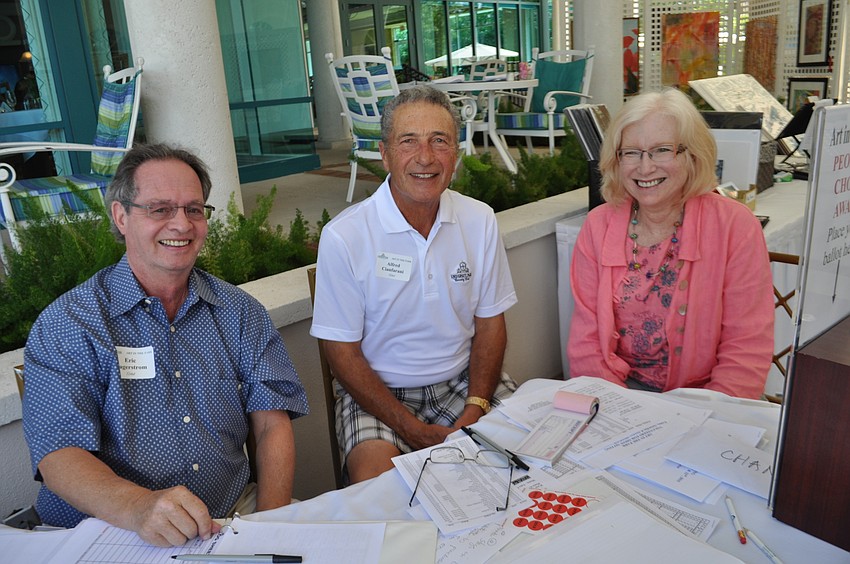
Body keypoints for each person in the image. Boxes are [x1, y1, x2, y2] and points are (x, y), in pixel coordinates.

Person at [22, 143, 309, 546]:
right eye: (160, 209)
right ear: (121, 217)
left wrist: (268, 528)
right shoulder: (71, 323)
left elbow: (270, 425)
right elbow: (59, 455)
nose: (182, 225)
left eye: (194, 209)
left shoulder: (240, 312)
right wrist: (139, 508)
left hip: (230, 516)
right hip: (108, 528)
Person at [310, 85, 518, 483]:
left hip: (464, 383)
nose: (426, 157)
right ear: (385, 154)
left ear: (455, 153)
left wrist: (475, 406)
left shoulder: (480, 220)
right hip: (378, 397)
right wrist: (409, 427)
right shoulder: (345, 236)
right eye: (409, 142)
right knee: (382, 496)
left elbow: (491, 324)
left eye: (439, 141)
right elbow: (342, 355)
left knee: (531, 464)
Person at [567, 88, 774, 399]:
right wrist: (615, 408)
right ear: (616, 159)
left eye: (662, 150)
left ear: (691, 155)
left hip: (707, 397)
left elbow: (745, 348)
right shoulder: (599, 225)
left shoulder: (735, 226)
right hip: (622, 395)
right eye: (631, 152)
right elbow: (587, 343)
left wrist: (712, 414)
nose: (645, 167)